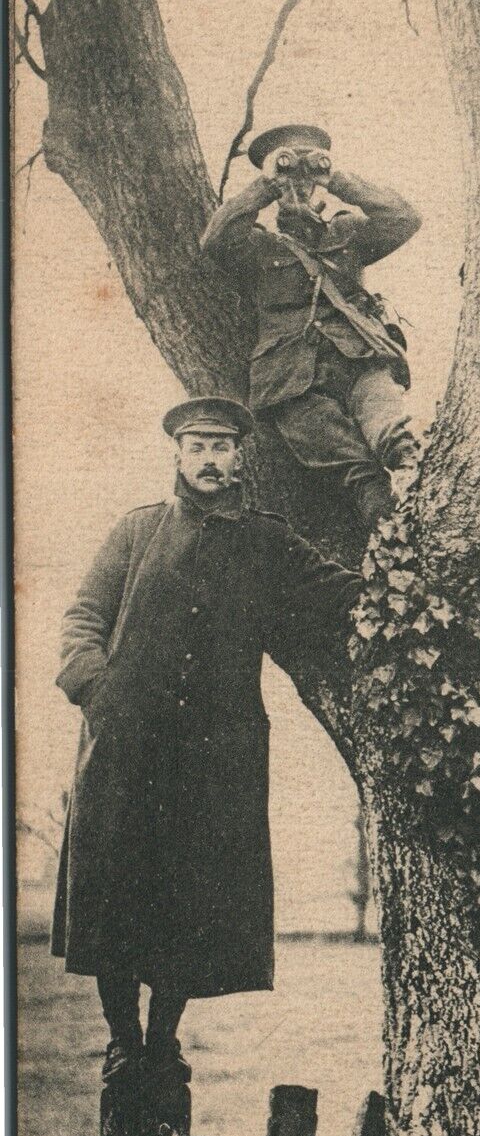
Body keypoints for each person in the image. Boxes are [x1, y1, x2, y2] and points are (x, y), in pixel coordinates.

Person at [52, 398, 362, 1085]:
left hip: (214, 761)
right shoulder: (136, 533)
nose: (210, 459)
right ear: (178, 454)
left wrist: (399, 581)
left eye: (222, 446)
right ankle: (122, 1041)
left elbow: (332, 591)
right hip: (128, 752)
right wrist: (95, 692)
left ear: (241, 456)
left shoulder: (267, 540)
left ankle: (164, 1040)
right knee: (117, 898)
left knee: (190, 902)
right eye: (197, 446)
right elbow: (82, 618)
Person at [201, 125, 422, 530]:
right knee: (352, 468)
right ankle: (391, 529)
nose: (298, 190)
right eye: (288, 181)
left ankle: (418, 485)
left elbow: (404, 218)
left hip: (359, 359)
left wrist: (337, 179)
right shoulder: (258, 246)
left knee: (393, 434)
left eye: (308, 178)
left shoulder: (348, 233)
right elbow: (215, 241)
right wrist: (265, 184)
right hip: (291, 380)